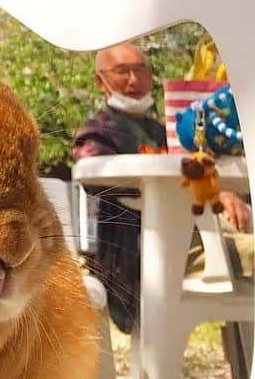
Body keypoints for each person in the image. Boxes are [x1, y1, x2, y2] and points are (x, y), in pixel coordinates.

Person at [73, 43, 251, 332]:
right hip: (138, 255)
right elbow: (96, 177)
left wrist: (221, 191)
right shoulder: (96, 134)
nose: (133, 80)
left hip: (199, 236)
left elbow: (198, 168)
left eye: (140, 70)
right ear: (100, 81)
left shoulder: (166, 130)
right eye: (121, 71)